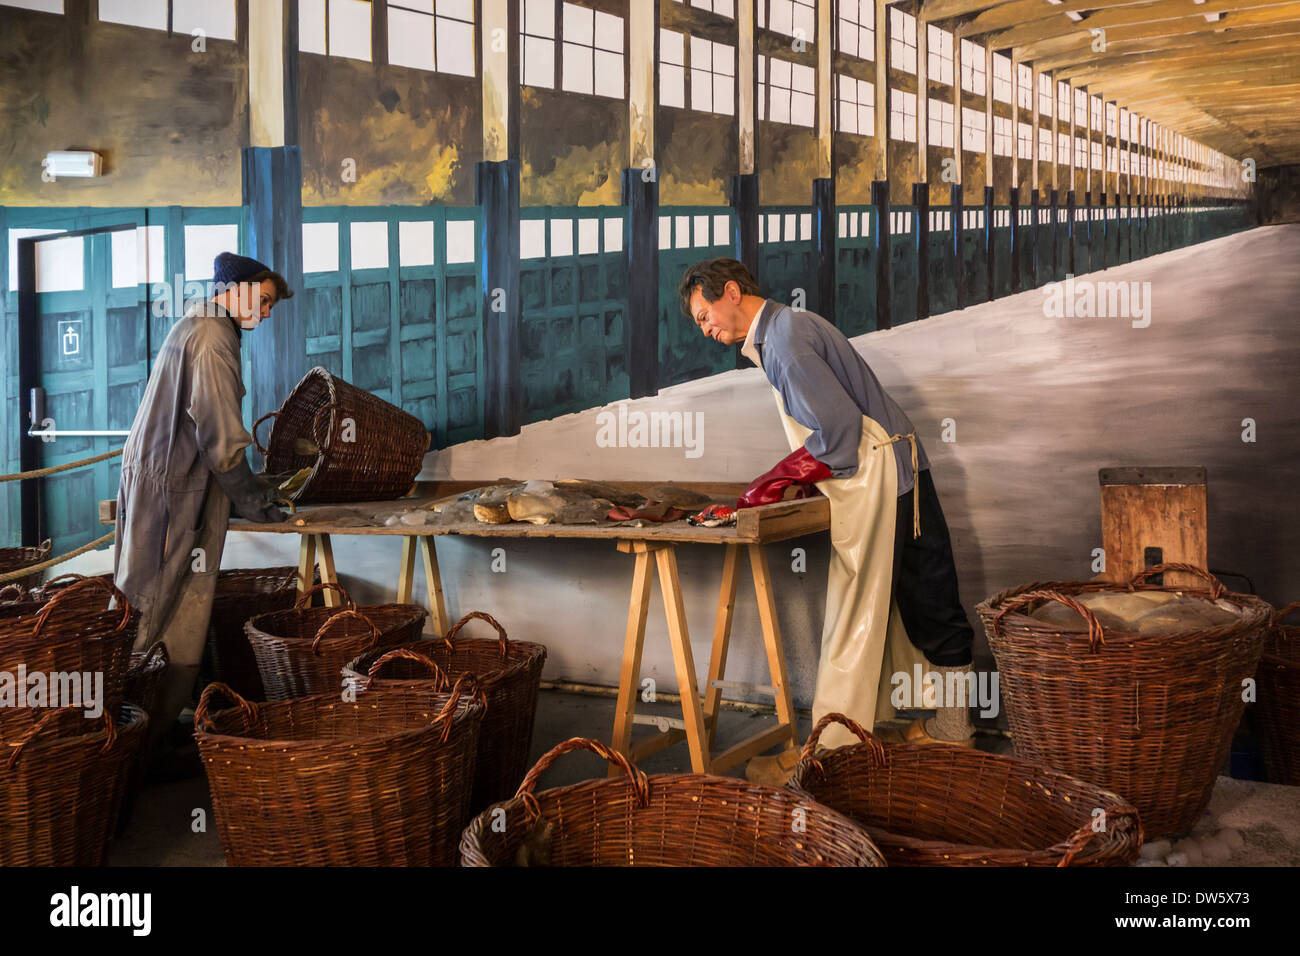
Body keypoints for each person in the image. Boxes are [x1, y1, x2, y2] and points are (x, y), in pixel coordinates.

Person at [679, 258, 977, 786]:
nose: (706, 330)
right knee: (906, 602)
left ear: (730, 292)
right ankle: (925, 726)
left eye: (705, 315)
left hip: (890, 475)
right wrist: (788, 476)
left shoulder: (786, 341)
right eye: (700, 324)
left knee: (919, 601)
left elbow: (837, 432)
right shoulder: (781, 333)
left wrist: (774, 480)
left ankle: (912, 738)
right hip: (889, 470)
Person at [113, 252, 290, 757]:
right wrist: (255, 501)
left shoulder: (198, 324)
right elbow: (220, 437)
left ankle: (140, 739)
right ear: (233, 289)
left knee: (154, 609)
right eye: (264, 299)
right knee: (153, 615)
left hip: (167, 484)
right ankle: (124, 749)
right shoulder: (213, 338)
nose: (267, 312)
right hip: (173, 494)